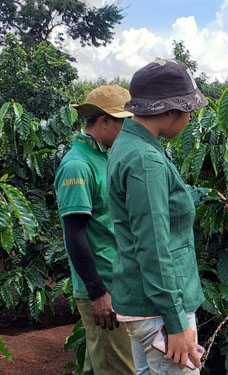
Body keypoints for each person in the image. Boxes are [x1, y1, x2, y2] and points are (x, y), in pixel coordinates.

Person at [107, 59, 213, 374]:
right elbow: (154, 246)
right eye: (189, 110)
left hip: (143, 304)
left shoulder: (129, 143)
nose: (191, 117)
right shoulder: (145, 160)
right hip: (159, 310)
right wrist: (177, 323)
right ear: (170, 112)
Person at [54, 85, 135, 374]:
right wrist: (97, 293)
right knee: (119, 368)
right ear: (104, 121)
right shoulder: (77, 166)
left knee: (101, 363)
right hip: (103, 288)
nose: (128, 130)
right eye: (124, 122)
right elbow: (74, 233)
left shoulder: (104, 158)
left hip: (118, 282)